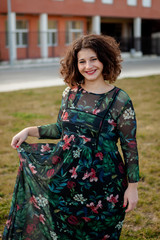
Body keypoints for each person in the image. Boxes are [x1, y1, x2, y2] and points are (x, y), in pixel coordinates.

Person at [3, 34, 139, 240]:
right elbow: (61, 129)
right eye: (82, 61)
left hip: (105, 185)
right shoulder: (70, 93)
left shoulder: (119, 99)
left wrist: (133, 187)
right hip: (65, 180)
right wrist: (29, 130)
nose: (88, 66)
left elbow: (129, 146)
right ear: (75, 65)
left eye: (93, 59)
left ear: (105, 59)